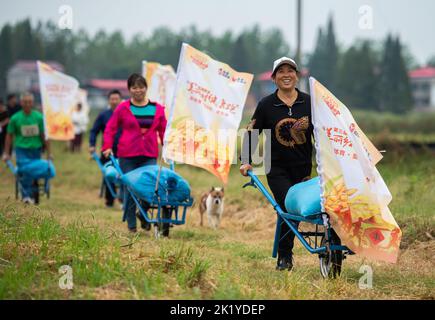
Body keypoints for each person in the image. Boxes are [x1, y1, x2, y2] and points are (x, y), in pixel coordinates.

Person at [240, 57, 314, 271]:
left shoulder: (309, 103)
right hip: (276, 168)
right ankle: (285, 255)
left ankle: (292, 250)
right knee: (287, 207)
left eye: (290, 70)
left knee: (298, 211)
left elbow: (322, 133)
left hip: (302, 168)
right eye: (280, 71)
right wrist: (246, 161)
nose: (286, 74)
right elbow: (252, 133)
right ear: (274, 78)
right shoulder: (266, 105)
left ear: (297, 75)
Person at [102, 73, 168, 233]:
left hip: (149, 154)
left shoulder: (157, 109)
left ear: (146, 88)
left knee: (149, 186)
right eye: (134, 87)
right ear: (129, 89)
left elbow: (164, 130)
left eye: (141, 87)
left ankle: (143, 213)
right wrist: (107, 146)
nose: (138, 90)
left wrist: (168, 146)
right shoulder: (123, 108)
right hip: (128, 155)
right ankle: (132, 225)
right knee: (130, 188)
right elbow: (110, 128)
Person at [2, 92, 52, 204]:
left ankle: (33, 194)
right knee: (24, 172)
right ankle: (26, 195)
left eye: (29, 102)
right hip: (21, 150)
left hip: (36, 149)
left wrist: (49, 153)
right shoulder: (15, 118)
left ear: (32, 103)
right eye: (25, 102)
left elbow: (44, 136)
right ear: (21, 103)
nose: (27, 104)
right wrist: (6, 153)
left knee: (34, 173)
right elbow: (9, 136)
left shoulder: (39, 117)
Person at [89, 89, 122, 207]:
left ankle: (123, 199)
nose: (114, 101)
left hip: (123, 151)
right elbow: (94, 131)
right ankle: (109, 200)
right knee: (109, 175)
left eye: (116, 99)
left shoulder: (126, 114)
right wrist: (92, 145)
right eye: (112, 99)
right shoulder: (103, 115)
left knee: (123, 175)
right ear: (109, 100)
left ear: (120, 100)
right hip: (107, 152)